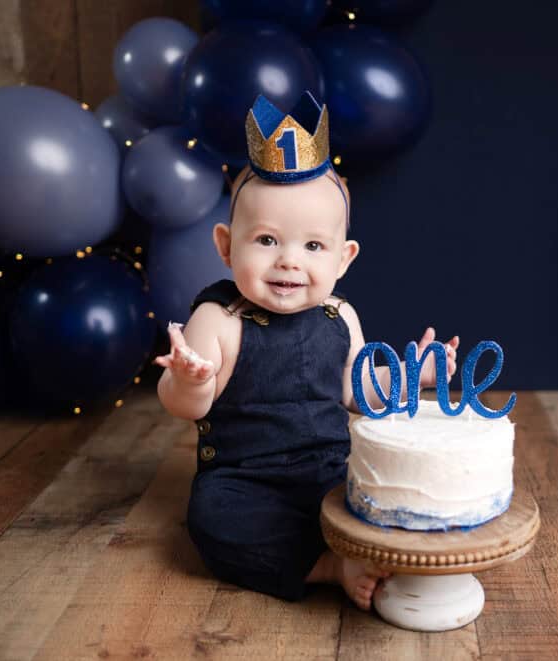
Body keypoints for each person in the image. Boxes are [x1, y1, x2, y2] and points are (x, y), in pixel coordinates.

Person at [154, 92, 459, 610]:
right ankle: (328, 565)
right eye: (267, 241)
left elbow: (359, 393)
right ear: (227, 246)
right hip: (245, 479)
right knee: (213, 519)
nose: (289, 261)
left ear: (344, 258)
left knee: (386, 487)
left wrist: (413, 377)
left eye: (313, 247)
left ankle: (385, 548)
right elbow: (185, 406)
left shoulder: (341, 317)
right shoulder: (219, 321)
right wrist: (189, 380)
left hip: (330, 469)